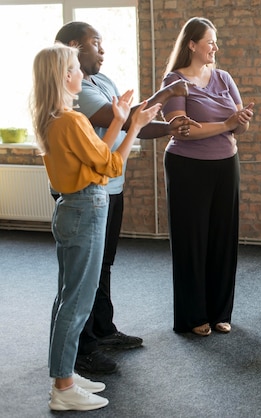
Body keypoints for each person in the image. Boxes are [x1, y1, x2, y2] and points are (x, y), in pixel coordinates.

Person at [54, 21, 198, 374]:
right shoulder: (72, 91)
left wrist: (168, 128)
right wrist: (167, 94)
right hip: (86, 190)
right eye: (96, 44)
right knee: (82, 274)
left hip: (110, 187)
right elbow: (116, 119)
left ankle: (103, 329)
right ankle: (83, 346)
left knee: (103, 264)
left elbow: (133, 123)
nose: (102, 50)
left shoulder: (102, 81)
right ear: (74, 47)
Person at [31, 43, 160, 411]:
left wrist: (120, 119)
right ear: (63, 76)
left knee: (66, 299)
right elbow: (113, 165)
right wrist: (132, 123)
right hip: (85, 208)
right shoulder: (71, 120)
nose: (80, 74)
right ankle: (62, 387)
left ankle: (65, 374)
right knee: (76, 303)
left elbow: (99, 160)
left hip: (72, 209)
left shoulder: (53, 118)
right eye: (74, 68)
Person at [161, 17, 254, 336]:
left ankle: (219, 312)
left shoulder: (224, 77)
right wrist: (228, 124)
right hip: (187, 166)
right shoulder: (175, 81)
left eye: (216, 41)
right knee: (192, 241)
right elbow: (182, 129)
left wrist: (241, 121)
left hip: (226, 164)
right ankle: (193, 315)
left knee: (222, 240)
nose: (215, 46)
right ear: (192, 44)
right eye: (210, 41)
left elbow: (238, 124)